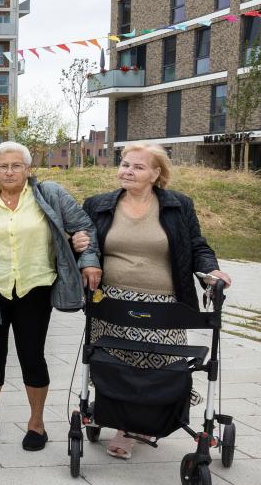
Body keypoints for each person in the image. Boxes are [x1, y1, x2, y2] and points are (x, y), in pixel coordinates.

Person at [83, 142, 231, 460]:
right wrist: (82, 249)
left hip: (165, 304)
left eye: (138, 166)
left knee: (158, 363)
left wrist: (210, 270)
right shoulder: (98, 205)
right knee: (117, 363)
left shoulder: (178, 205)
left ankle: (144, 420)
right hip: (111, 302)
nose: (128, 170)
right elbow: (85, 246)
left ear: (156, 173)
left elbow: (197, 246)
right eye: (124, 164)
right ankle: (126, 426)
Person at [0, 142, 102, 451]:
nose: (9, 171)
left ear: (28, 168)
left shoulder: (50, 196)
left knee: (31, 356)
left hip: (34, 288)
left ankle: (36, 424)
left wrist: (88, 260)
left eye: (16, 165)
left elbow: (84, 228)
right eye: (3, 166)